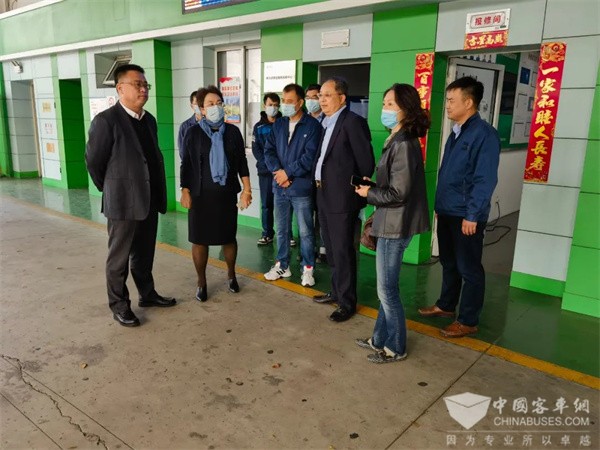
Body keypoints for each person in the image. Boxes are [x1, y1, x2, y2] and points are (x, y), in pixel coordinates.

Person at [86, 63, 176, 328]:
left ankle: (147, 294)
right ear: (120, 88)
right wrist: (111, 188)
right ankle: (119, 305)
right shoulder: (106, 121)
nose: (143, 89)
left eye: (145, 85)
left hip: (148, 199)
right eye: (138, 84)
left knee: (144, 254)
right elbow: (94, 162)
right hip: (122, 202)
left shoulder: (149, 120)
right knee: (119, 258)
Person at [418, 76, 500, 338]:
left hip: (467, 215)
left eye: (452, 100)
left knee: (469, 268)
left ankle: (468, 319)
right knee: (449, 262)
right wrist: (440, 206)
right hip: (448, 210)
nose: (447, 105)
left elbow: (484, 179)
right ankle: (446, 305)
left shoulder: (484, 134)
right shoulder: (456, 132)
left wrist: (473, 215)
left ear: (468, 102)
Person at [354, 83, 431, 363]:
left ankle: (396, 347)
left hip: (396, 226)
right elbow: (396, 185)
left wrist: (369, 194)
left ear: (405, 110)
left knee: (387, 290)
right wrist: (373, 186)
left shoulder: (404, 144)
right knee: (384, 288)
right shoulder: (397, 138)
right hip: (391, 221)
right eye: (384, 103)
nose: (384, 109)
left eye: (390, 104)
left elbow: (400, 193)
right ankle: (379, 339)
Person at [180, 85, 252, 302]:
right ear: (201, 109)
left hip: (225, 195)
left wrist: (247, 190)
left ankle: (231, 275)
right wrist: (185, 190)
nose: (216, 107)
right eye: (210, 104)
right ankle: (201, 282)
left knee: (228, 238)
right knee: (199, 240)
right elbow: (186, 164)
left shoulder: (232, 132)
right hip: (200, 197)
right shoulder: (192, 133)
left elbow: (241, 163)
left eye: (219, 103)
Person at [312, 77, 375, 322]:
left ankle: (347, 303)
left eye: (327, 95)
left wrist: (353, 192)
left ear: (342, 98)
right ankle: (336, 292)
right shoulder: (325, 123)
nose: (322, 100)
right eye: (320, 95)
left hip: (342, 199)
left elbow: (366, 162)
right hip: (323, 194)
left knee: (342, 250)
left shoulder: (353, 122)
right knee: (331, 249)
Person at [263, 83, 321, 287]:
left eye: (290, 101)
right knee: (282, 230)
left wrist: (288, 173)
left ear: (300, 102)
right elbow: (268, 151)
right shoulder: (279, 124)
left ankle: (308, 268)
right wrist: (279, 172)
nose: (285, 105)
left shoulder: (312, 126)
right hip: (280, 187)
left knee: (305, 232)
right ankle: (282, 265)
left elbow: (309, 157)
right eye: (283, 101)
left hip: (300, 188)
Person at [252, 93, 281, 245]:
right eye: (270, 105)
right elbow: (256, 149)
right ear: (265, 106)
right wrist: (269, 165)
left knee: (284, 204)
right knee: (266, 205)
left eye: (276, 105)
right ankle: (267, 233)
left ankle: (287, 235)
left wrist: (279, 167)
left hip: (282, 172)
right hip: (265, 172)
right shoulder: (258, 127)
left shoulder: (284, 124)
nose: (273, 107)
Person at [305, 83, 327, 264]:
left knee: (322, 214)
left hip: (322, 175)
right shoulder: (303, 121)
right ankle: (308, 250)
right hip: (305, 174)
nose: (312, 101)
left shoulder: (328, 120)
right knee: (306, 215)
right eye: (308, 97)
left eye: (315, 97)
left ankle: (324, 249)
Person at [177, 90, 202, 160]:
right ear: (192, 106)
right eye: (196, 103)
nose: (199, 106)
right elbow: (182, 152)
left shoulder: (211, 124)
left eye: (201, 102)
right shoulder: (185, 126)